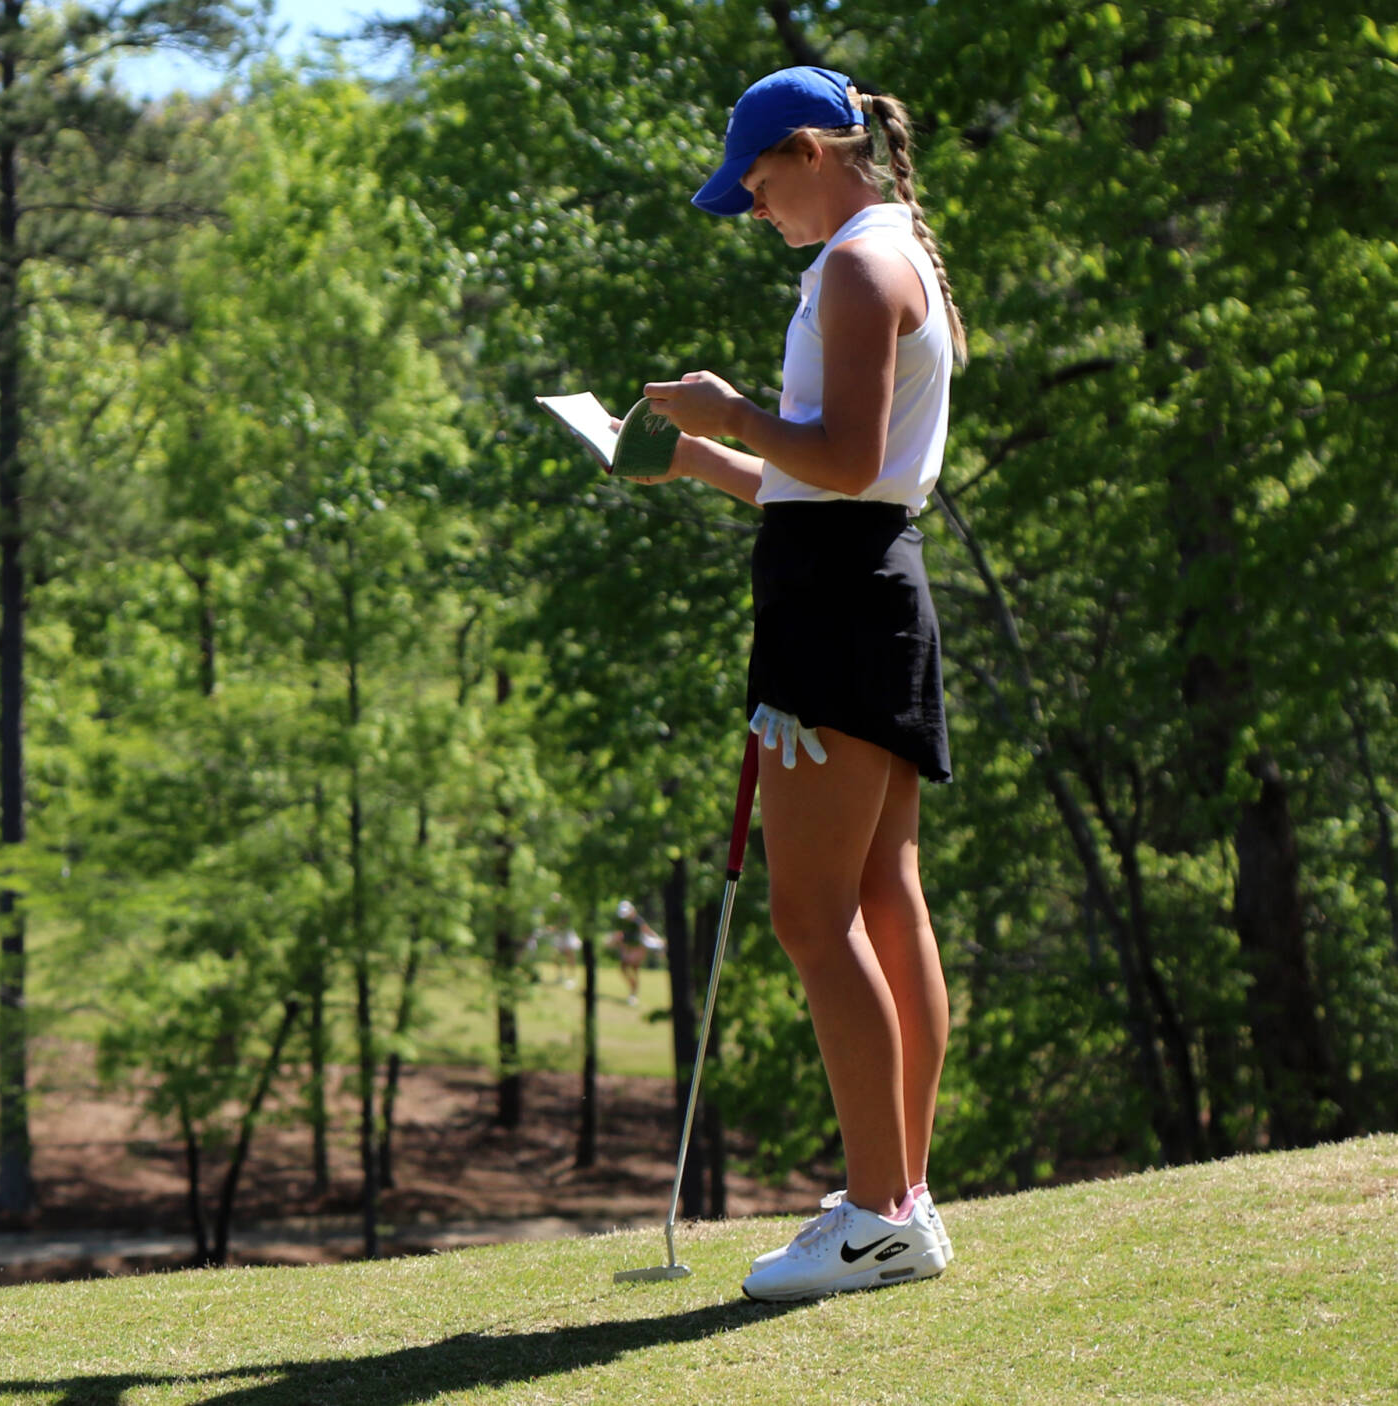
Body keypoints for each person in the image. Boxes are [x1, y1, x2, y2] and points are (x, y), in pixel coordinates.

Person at [624, 67, 963, 1302]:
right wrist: (700, 455)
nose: (756, 210)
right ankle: (899, 1196)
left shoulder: (859, 269)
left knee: (811, 915)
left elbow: (846, 457)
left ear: (818, 151)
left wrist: (731, 405)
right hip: (863, 582)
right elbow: (819, 479)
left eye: (760, 186)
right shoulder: (883, 250)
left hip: (837, 605)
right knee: (881, 894)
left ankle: (879, 1210)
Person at [612, 900, 664, 1006]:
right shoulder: (624, 923)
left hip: (636, 950)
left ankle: (633, 993)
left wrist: (658, 940)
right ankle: (633, 989)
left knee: (633, 969)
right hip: (628, 949)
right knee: (624, 969)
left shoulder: (637, 921)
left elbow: (647, 931)